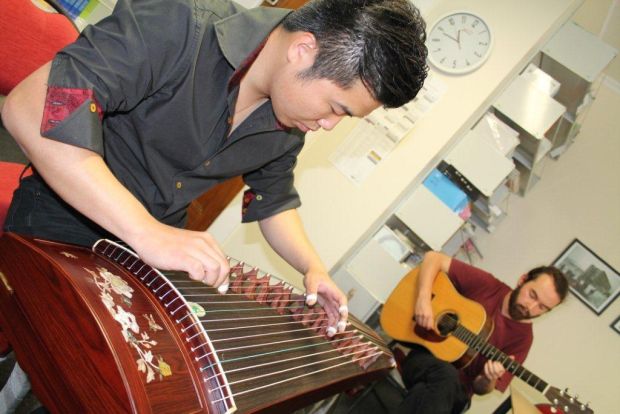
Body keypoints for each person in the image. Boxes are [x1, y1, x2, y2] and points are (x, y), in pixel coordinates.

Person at [1, 0, 428, 331]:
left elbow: (273, 201)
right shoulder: (180, 24)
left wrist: (313, 268)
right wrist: (147, 232)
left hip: (147, 254)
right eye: (337, 108)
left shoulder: (287, 124)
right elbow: (31, 109)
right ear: (303, 50)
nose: (330, 126)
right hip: (63, 217)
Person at [396, 251, 569, 414]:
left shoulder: (523, 340)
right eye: (532, 295)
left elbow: (480, 390)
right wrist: (423, 299)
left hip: (459, 391)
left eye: (542, 307)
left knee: (429, 391)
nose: (530, 308)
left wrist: (488, 378)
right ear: (522, 280)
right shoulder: (489, 286)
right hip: (425, 359)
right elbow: (433, 257)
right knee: (443, 379)